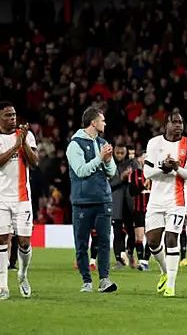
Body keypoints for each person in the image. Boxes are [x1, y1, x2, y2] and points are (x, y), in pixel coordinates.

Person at [0, 102, 39, 300]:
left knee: (24, 241)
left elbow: (34, 162)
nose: (13, 118)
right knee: (1, 240)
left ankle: (22, 275)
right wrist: (15, 146)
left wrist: (22, 142)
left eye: (14, 114)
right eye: (8, 115)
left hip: (22, 198)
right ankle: (3, 287)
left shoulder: (27, 136)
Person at [144, 109, 187, 297]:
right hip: (156, 199)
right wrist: (163, 167)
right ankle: (165, 271)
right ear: (165, 125)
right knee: (152, 241)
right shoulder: (154, 143)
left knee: (171, 238)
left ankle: (171, 286)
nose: (178, 126)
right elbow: (147, 173)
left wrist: (176, 167)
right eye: (174, 122)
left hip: (177, 200)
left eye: (181, 122)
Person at [66, 106, 119, 294]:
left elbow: (112, 172)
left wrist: (108, 159)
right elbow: (81, 171)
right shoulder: (75, 145)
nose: (105, 123)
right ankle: (86, 281)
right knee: (82, 243)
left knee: (104, 241)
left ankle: (104, 279)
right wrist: (99, 158)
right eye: (102, 120)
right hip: (83, 201)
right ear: (93, 122)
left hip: (103, 199)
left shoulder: (103, 142)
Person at [109, 146, 135, 269]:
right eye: (117, 153)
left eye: (122, 153)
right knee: (117, 233)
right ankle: (119, 260)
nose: (119, 155)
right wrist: (121, 178)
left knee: (132, 232)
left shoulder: (131, 164)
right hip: (116, 204)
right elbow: (109, 185)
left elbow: (138, 179)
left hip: (130, 204)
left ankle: (130, 253)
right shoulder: (110, 165)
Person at [127, 149, 151, 270]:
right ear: (140, 159)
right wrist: (143, 185)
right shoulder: (134, 174)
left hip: (152, 210)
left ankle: (146, 261)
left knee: (151, 237)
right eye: (144, 157)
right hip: (139, 209)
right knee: (139, 236)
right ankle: (141, 261)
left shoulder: (156, 174)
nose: (146, 160)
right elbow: (132, 192)